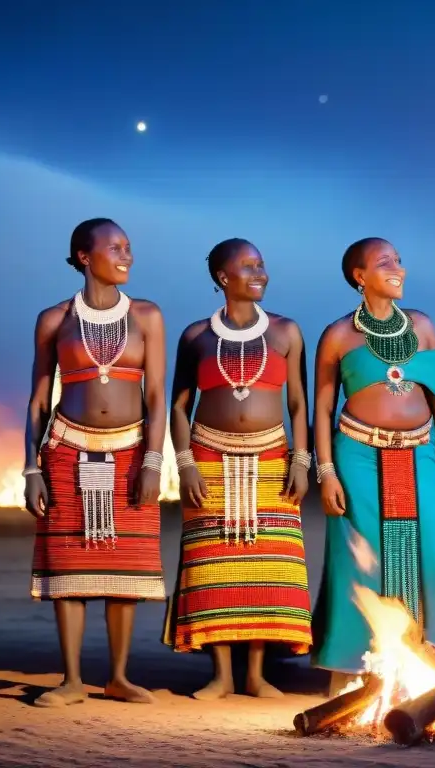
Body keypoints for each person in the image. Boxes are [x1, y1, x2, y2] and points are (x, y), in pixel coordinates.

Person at [310, 237, 435, 693]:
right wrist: (325, 470)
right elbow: (322, 410)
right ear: (359, 276)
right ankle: (346, 674)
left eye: (400, 260)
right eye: (385, 261)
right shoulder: (337, 335)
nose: (398, 268)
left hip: (421, 453)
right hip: (357, 455)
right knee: (358, 562)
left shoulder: (423, 326)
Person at [23, 218, 166, 707]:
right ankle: (70, 680)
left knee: (125, 568)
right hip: (65, 449)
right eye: (115, 248)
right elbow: (39, 400)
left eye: (129, 247)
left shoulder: (147, 315)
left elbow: (156, 395)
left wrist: (153, 459)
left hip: (129, 451)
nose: (126, 255)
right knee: (69, 569)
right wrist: (31, 468)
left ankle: (119, 677)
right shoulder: (53, 320)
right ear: (85, 257)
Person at [162, 238, 313, 700]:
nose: (260, 272)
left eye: (262, 264)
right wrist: (184, 464)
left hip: (272, 458)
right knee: (214, 566)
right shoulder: (196, 336)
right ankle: (221, 676)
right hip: (209, 457)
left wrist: (302, 461)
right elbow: (179, 406)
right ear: (223, 278)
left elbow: (298, 404)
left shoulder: (287, 332)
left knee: (269, 567)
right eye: (248, 265)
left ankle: (256, 676)